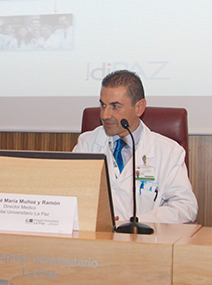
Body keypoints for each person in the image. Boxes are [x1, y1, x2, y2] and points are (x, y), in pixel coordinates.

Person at [73, 70, 197, 223]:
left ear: (139, 107)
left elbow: (185, 207)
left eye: (115, 106)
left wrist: (135, 222)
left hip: (144, 241)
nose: (105, 115)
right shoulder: (87, 143)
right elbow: (70, 195)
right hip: (96, 240)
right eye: (103, 105)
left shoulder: (168, 151)